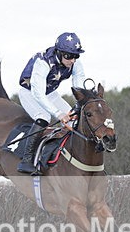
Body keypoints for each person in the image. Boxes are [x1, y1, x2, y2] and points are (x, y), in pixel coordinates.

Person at [16, 32, 86, 174]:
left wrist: (80, 106)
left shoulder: (75, 63)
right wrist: (58, 114)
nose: (72, 60)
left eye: (75, 56)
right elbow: (38, 94)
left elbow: (78, 88)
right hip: (30, 92)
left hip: (50, 93)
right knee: (44, 117)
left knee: (74, 120)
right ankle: (27, 160)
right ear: (59, 52)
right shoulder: (44, 62)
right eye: (68, 56)